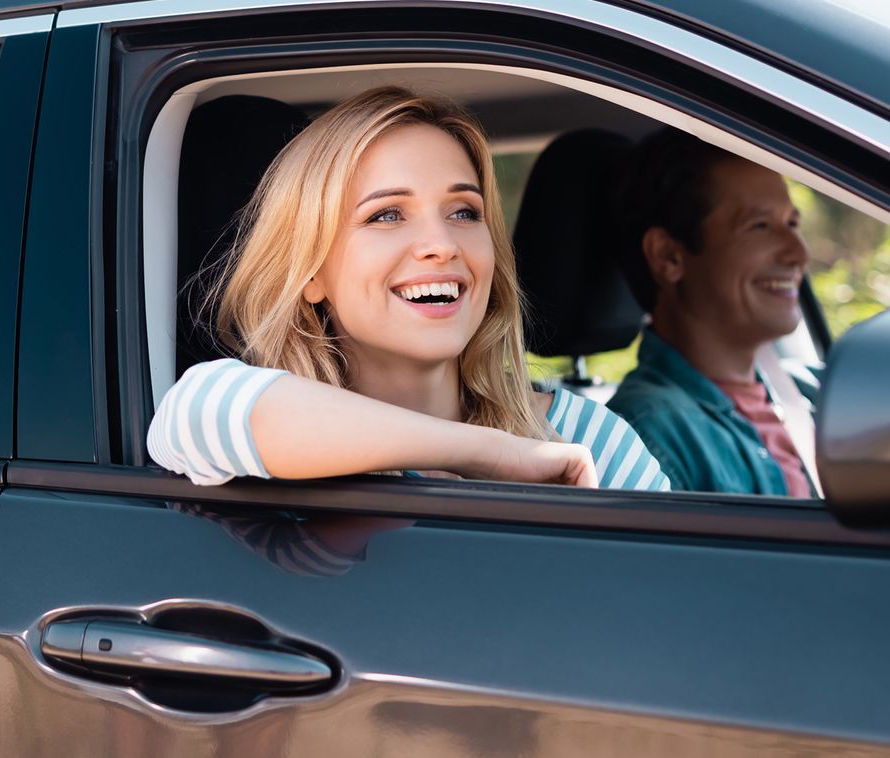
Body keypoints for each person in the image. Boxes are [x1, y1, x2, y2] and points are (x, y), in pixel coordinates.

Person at [149, 86, 668, 492]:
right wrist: (485, 453)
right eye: (387, 214)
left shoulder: (591, 441)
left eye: (464, 211)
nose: (441, 245)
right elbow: (196, 413)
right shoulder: (266, 429)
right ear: (310, 273)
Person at [607, 130, 819, 497]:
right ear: (668, 256)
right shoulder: (650, 434)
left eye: (792, 224)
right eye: (760, 226)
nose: (798, 255)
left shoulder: (807, 393)